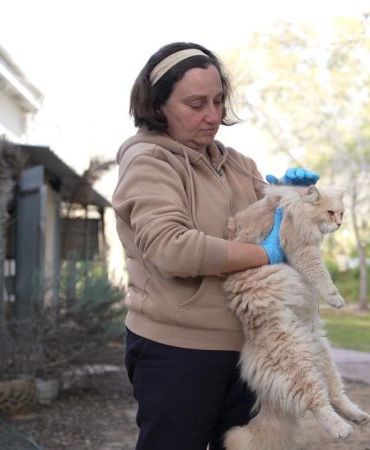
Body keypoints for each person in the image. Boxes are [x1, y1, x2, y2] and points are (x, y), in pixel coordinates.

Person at [112, 42, 319, 450]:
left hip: (249, 351)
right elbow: (173, 248)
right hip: (177, 351)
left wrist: (298, 203)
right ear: (158, 106)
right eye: (196, 104)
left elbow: (284, 233)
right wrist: (265, 254)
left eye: (218, 100)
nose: (212, 115)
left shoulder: (240, 165)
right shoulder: (148, 162)